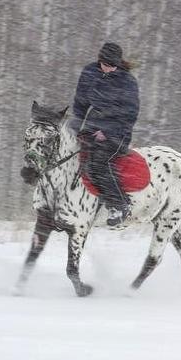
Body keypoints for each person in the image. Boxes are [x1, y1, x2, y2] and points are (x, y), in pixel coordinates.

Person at [70, 42, 140, 226]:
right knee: (73, 157)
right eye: (105, 65)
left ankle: (119, 204)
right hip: (92, 125)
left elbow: (130, 114)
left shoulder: (128, 82)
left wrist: (107, 132)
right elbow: (80, 104)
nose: (108, 69)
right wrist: (75, 128)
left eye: (112, 66)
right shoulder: (89, 73)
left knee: (99, 163)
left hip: (118, 131)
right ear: (99, 60)